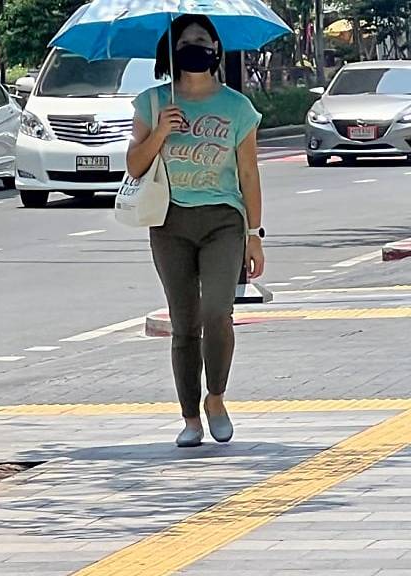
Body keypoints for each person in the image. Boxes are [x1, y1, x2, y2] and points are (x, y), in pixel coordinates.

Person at [126, 15, 266, 448]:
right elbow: (134, 165)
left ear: (216, 49)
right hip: (170, 222)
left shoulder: (237, 108)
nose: (195, 47)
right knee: (184, 324)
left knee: (217, 313)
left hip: (224, 220)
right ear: (170, 51)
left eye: (203, 40)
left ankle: (216, 398)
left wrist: (255, 233)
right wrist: (161, 131)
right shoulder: (152, 103)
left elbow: (248, 171)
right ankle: (189, 416)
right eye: (186, 41)